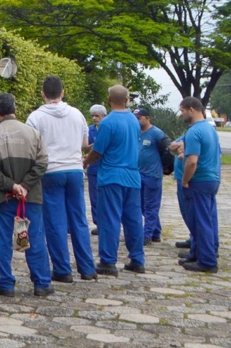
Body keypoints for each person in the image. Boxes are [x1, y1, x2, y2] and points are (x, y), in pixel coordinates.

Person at [0, 92, 53, 297]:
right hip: (31, 198)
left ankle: (6, 283)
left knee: (3, 240)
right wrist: (25, 186)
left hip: (4, 198)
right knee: (36, 238)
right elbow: (42, 163)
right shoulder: (33, 133)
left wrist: (12, 186)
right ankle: (41, 283)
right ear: (15, 108)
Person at [26, 76, 97, 283]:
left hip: (50, 171)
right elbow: (85, 143)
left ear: (43, 93)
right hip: (75, 169)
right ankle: (86, 267)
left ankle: (62, 269)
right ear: (63, 92)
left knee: (55, 222)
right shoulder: (77, 114)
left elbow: (32, 148)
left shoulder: (36, 117)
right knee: (78, 220)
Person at [84, 85, 145, 277]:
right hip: (132, 176)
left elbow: (98, 151)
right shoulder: (134, 121)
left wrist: (85, 163)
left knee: (109, 219)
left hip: (111, 176)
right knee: (133, 219)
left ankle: (108, 261)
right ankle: (137, 259)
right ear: (126, 100)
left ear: (109, 99)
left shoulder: (108, 123)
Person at [173, 97, 221, 273]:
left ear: (191, 109)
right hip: (212, 179)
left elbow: (192, 161)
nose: (182, 114)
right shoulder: (210, 129)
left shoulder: (194, 132)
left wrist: (185, 180)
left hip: (199, 181)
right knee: (205, 219)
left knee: (200, 222)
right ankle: (197, 253)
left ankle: (207, 261)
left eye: (183, 110)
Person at [135, 107, 172, 245]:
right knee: (142, 205)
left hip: (152, 175)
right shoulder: (137, 133)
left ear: (147, 118)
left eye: (139, 118)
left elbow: (167, 150)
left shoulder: (156, 133)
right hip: (139, 174)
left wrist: (165, 167)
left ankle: (147, 234)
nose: (137, 121)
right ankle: (155, 231)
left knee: (151, 205)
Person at [85, 104, 106, 234]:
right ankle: (98, 223)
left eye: (97, 116)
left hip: (104, 166)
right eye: (93, 116)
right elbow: (85, 147)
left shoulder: (107, 128)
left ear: (103, 116)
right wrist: (94, 145)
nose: (94, 118)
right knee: (94, 197)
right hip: (93, 168)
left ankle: (106, 222)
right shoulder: (89, 130)